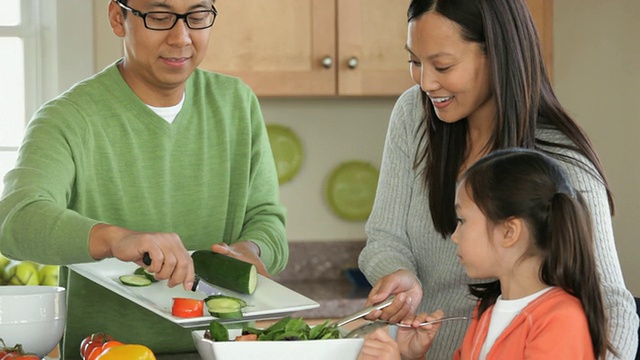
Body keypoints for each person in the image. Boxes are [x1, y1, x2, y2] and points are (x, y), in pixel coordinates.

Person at [0, 0, 288, 358]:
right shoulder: (67, 118)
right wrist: (115, 239)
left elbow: (267, 219)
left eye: (197, 17)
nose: (181, 37)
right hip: (107, 353)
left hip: (226, 351)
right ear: (118, 18)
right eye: (160, 17)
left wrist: (249, 251)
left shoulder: (236, 104)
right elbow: (16, 220)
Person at [357, 0, 638, 358]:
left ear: (498, 55)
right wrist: (400, 276)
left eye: (443, 65)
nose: (425, 82)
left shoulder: (561, 163)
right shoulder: (413, 115)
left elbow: (610, 302)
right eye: (414, 61)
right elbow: (384, 238)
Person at [358, 148, 616, 360]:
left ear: (509, 232)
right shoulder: (488, 312)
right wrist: (411, 356)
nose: (455, 236)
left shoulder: (561, 321)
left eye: (463, 220)